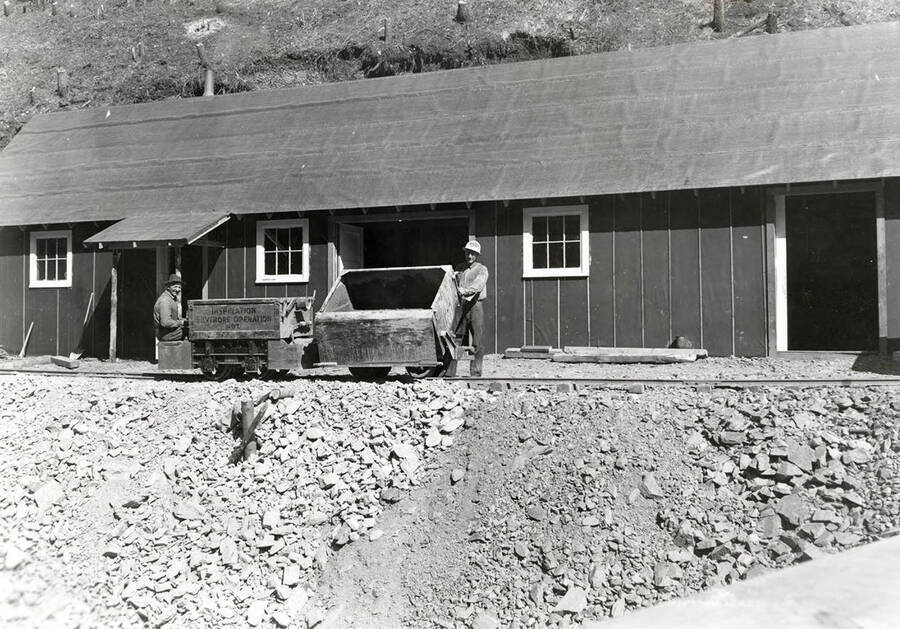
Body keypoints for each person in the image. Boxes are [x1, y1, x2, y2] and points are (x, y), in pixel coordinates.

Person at [453, 239, 489, 377]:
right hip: (460, 306)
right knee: (455, 338)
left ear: (477, 255)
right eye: (468, 253)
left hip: (475, 306)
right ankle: (450, 372)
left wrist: (464, 290)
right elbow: (452, 283)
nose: (469, 256)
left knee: (477, 340)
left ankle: (475, 373)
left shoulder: (482, 269)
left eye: (473, 254)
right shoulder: (459, 268)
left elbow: (478, 286)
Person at [154, 273, 187, 341]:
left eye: (179, 287)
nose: (177, 290)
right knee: (191, 332)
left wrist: (182, 320)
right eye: (175, 287)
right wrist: (180, 322)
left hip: (170, 332)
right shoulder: (165, 301)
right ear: (168, 287)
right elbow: (165, 322)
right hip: (166, 335)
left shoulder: (171, 299)